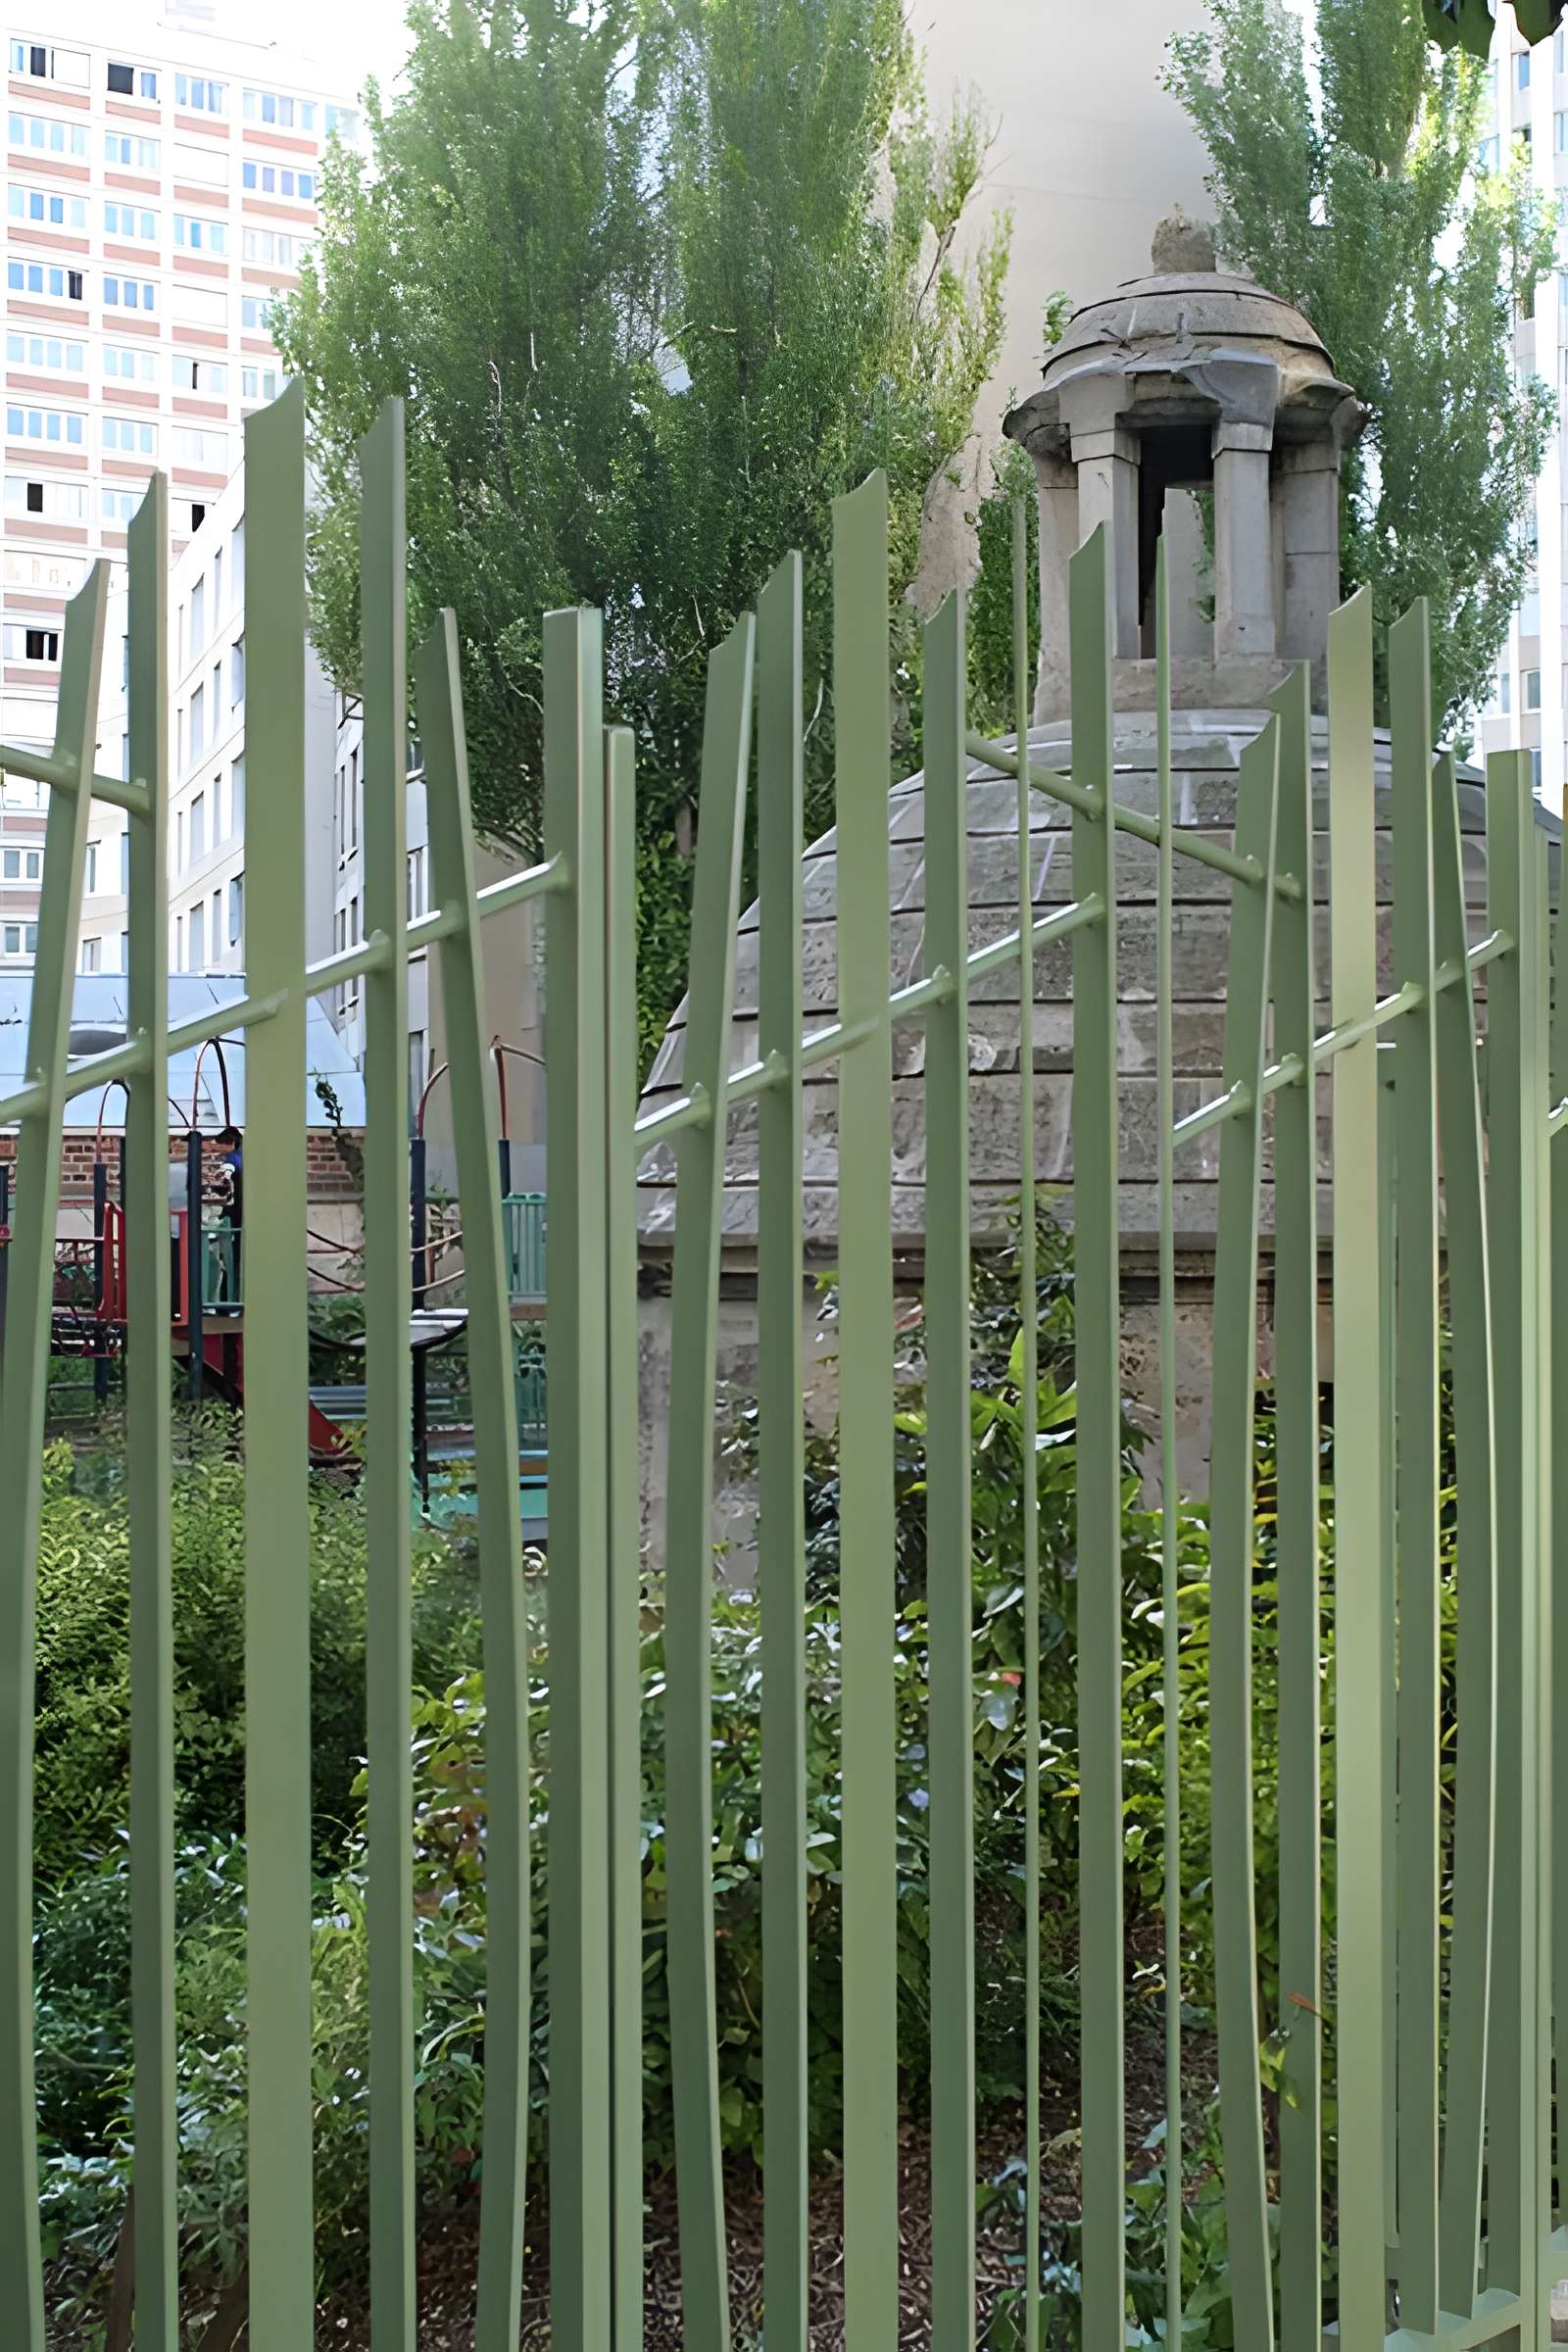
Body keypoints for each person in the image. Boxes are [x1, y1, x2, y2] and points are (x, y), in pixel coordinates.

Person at [217, 1124, 243, 1301]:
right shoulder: (242, 1157)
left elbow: (227, 1172)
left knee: (229, 1259)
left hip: (233, 1214)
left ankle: (228, 1299)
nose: (220, 1148)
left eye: (222, 1144)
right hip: (240, 1212)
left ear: (231, 1143)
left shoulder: (232, 1159)